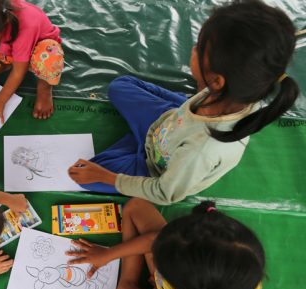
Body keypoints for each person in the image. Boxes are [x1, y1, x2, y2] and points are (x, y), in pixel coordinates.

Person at [68, 0, 300, 205]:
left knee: (89, 173)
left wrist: (106, 177)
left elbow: (164, 193)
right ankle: (141, 138)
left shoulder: (201, 150)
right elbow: (190, 108)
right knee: (120, 87)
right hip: (170, 123)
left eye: (199, 48)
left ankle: (138, 145)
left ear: (217, 80)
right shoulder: (234, 92)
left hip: (156, 167)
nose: (192, 49)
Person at [67, 200, 264, 289]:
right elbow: (137, 207)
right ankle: (128, 286)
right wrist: (108, 255)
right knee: (135, 208)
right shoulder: (240, 266)